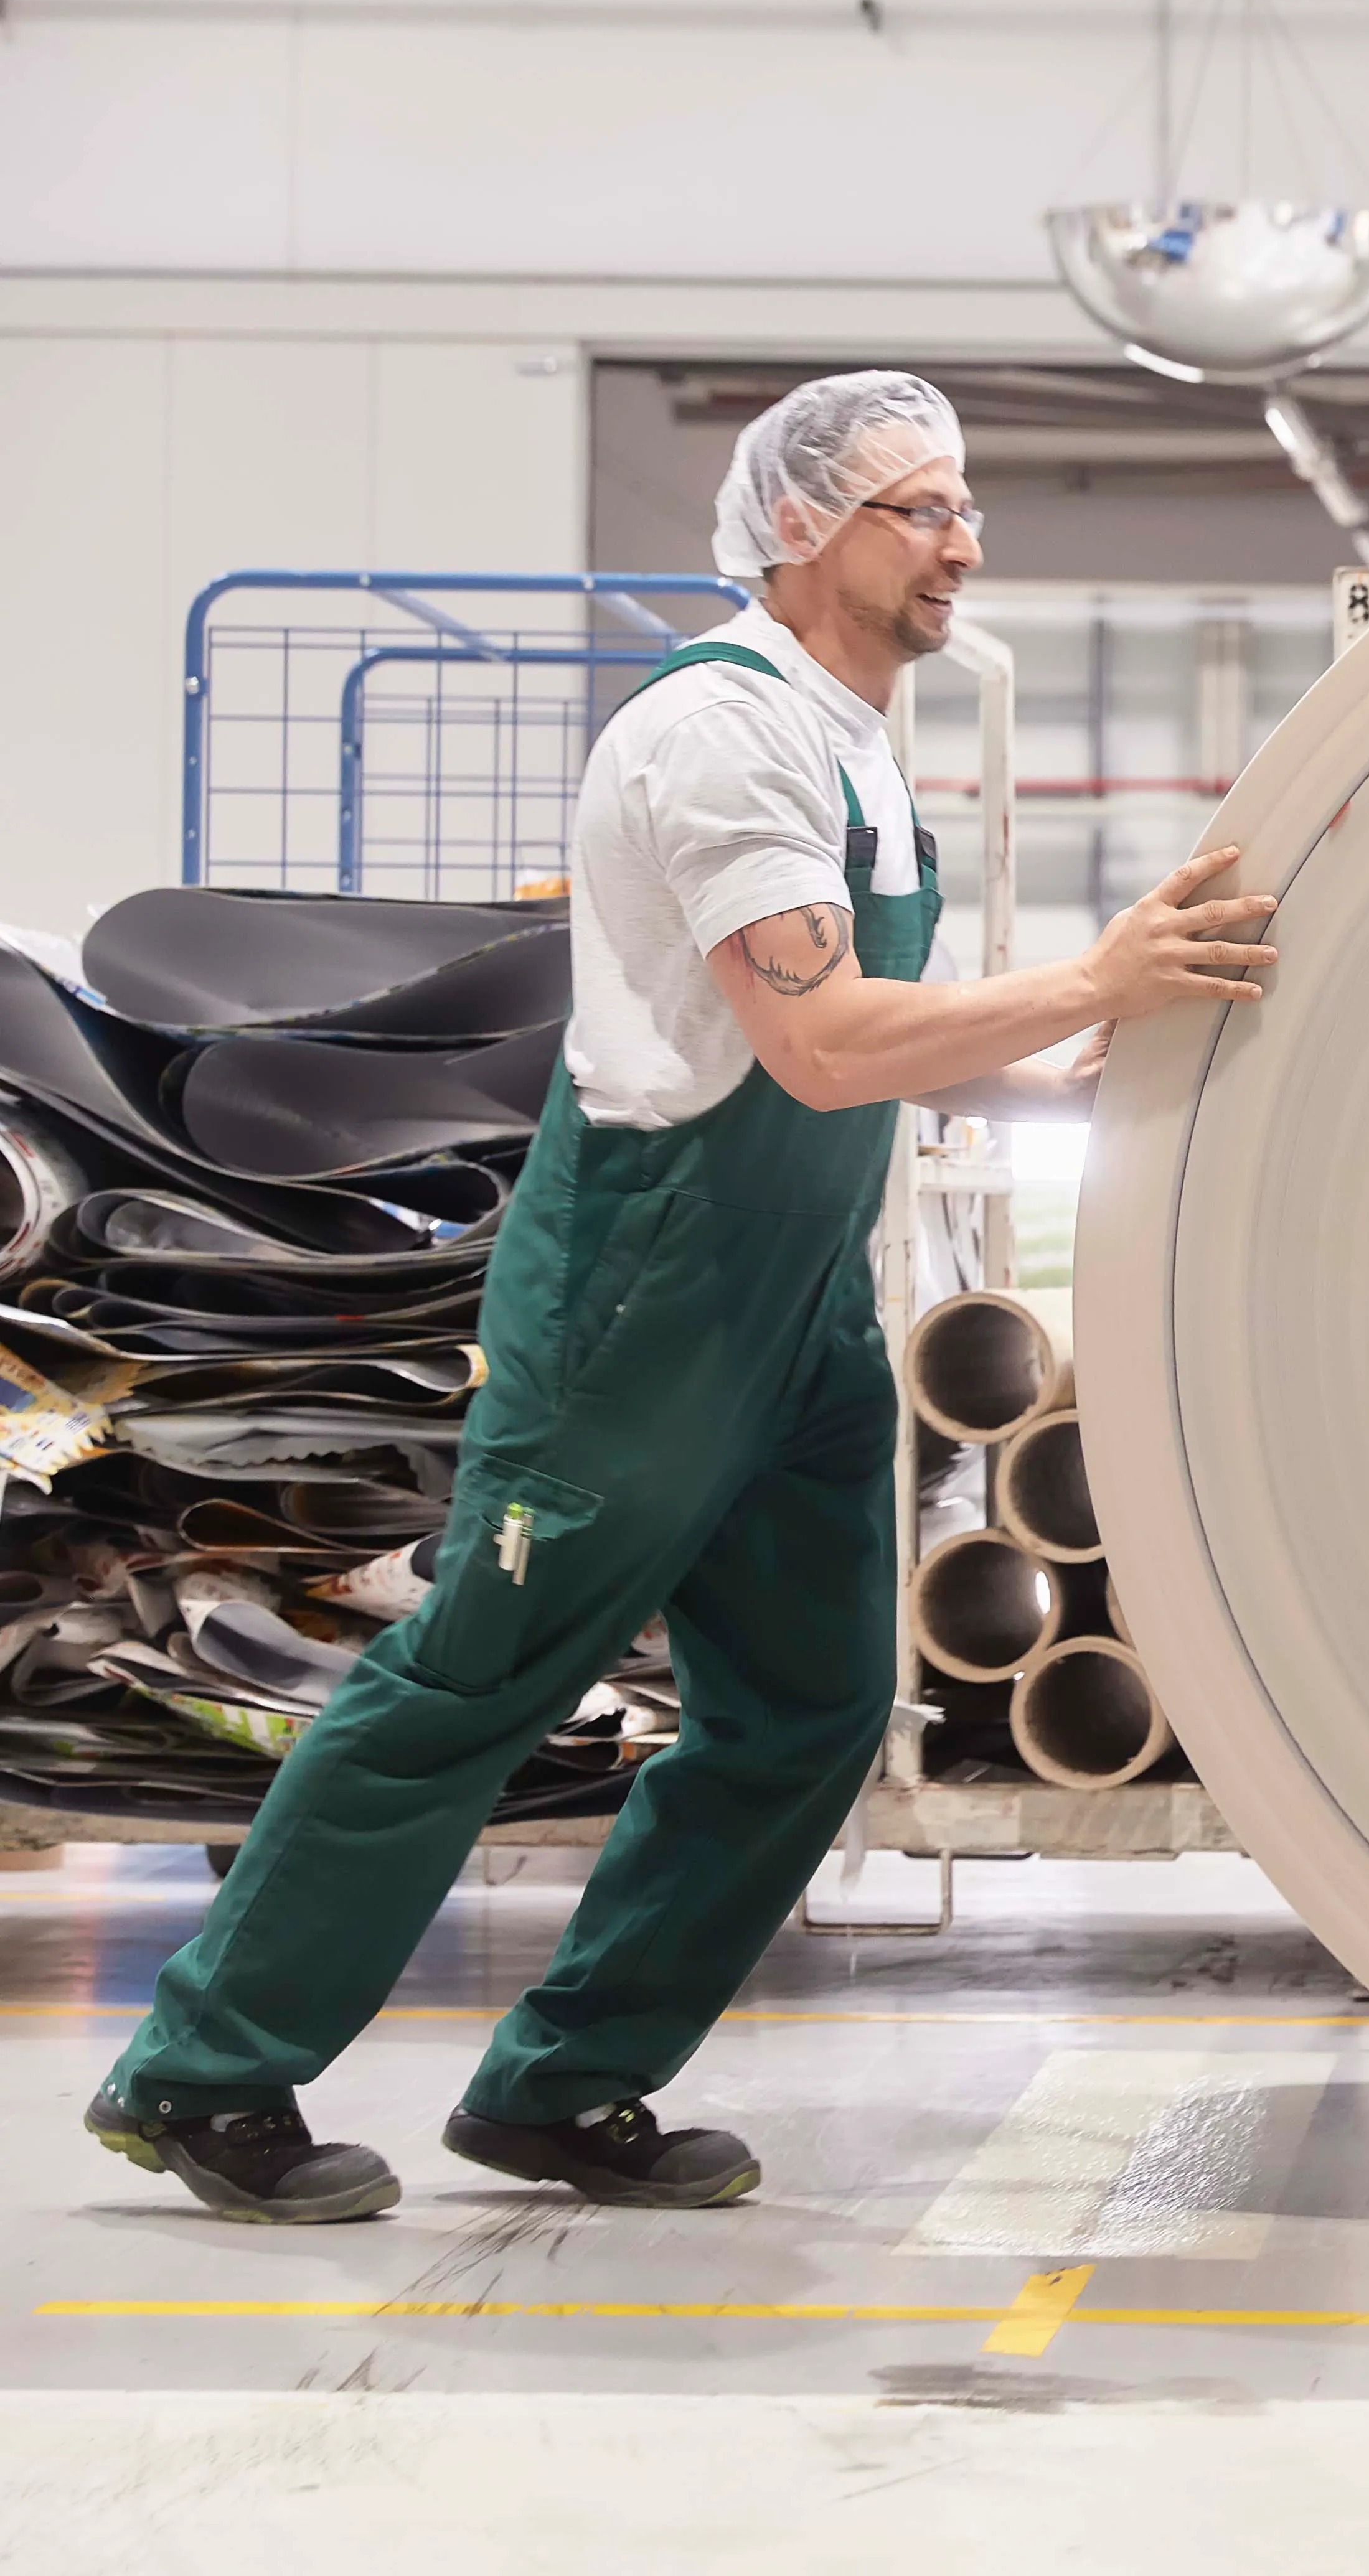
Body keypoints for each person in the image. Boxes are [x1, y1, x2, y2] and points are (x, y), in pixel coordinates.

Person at [87, 372, 1279, 2223]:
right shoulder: (723, 736)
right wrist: (1085, 973)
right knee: (471, 1684)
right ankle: (204, 2070)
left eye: (967, 508)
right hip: (648, 1288)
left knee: (810, 1709)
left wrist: (1102, 1054)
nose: (963, 542)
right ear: (804, 530)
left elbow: (890, 1048)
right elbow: (815, 1043)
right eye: (922, 508)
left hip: (795, 1296)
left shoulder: (858, 743)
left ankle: (563, 2080)